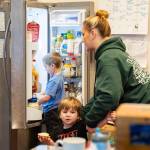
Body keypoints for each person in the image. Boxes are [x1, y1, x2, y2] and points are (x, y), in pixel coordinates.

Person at [82, 9, 150, 133]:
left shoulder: (109, 58)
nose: (82, 39)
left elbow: (108, 97)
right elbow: (101, 94)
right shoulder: (114, 53)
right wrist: (83, 113)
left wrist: (90, 121)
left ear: (92, 33)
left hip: (143, 116)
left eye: (83, 34)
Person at [37, 52, 64, 135]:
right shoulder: (59, 77)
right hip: (56, 110)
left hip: (51, 111)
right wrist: (42, 93)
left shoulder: (54, 80)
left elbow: (47, 98)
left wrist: (37, 102)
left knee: (53, 133)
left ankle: (53, 146)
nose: (46, 70)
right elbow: (50, 91)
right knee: (56, 131)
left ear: (52, 65)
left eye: (46, 67)